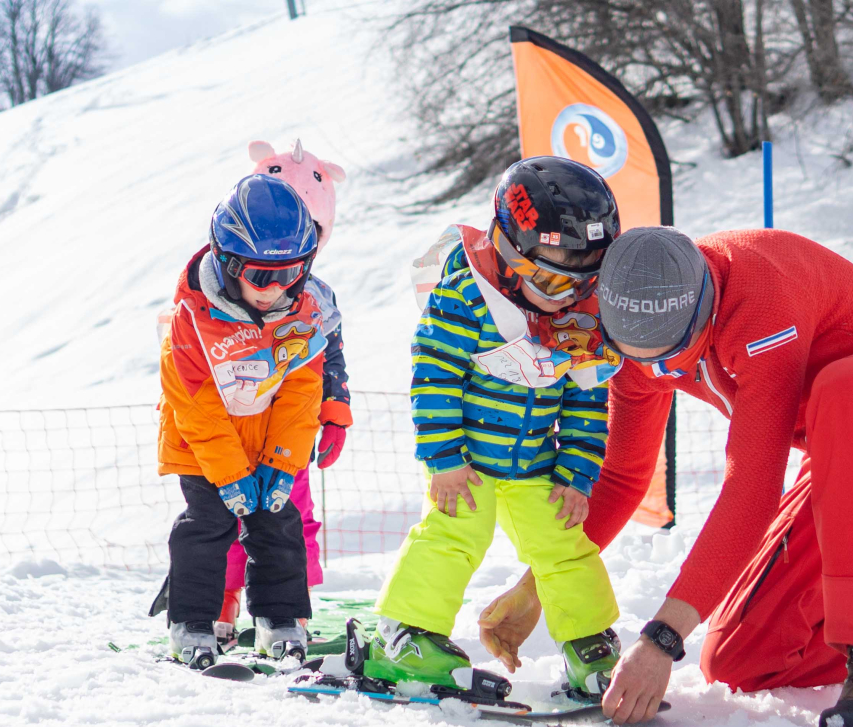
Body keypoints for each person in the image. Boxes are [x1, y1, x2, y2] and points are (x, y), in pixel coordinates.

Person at [477, 226, 853, 727]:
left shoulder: (759, 298)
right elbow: (625, 477)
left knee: (847, 387)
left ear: (703, 305)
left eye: (673, 358)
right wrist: (537, 586)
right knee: (741, 659)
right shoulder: (635, 335)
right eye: (641, 360)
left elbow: (751, 486)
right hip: (846, 455)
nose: (660, 372)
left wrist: (661, 637)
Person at [361, 157, 626, 700]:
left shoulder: (579, 317)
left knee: (564, 544)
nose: (565, 295)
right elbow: (433, 377)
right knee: (454, 537)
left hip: (536, 466)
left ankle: (589, 644)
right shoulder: (466, 296)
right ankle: (406, 634)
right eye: (552, 278)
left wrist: (576, 475)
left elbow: (586, 399)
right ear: (509, 253)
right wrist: (445, 460)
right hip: (468, 466)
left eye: (584, 279)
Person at [154, 174, 331, 668]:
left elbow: (301, 391)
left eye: (292, 274)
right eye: (261, 277)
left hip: (265, 441)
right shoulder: (192, 317)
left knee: (278, 521)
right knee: (208, 525)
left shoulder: (302, 312)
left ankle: (280, 621)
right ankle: (191, 623)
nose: (277, 290)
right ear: (229, 265)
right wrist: (230, 473)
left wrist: (282, 461)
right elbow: (194, 404)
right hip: (202, 446)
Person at [217, 140, 355, 642]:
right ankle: (223, 598)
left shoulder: (317, 295)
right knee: (226, 516)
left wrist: (335, 408)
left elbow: (330, 354)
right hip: (235, 425)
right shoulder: (230, 290)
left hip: (291, 429)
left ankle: (289, 604)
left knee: (291, 514)